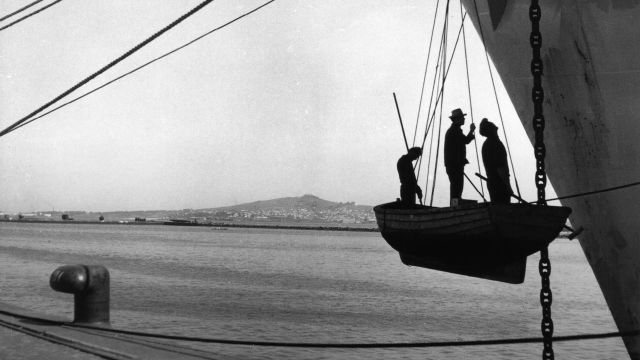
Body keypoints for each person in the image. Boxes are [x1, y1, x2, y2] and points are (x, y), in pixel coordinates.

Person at [444, 108, 475, 204]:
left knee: (456, 187)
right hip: (455, 165)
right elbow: (466, 140)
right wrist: (471, 131)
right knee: (457, 187)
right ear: (457, 119)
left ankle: (454, 206)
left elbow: (464, 140)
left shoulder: (454, 130)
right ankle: (454, 206)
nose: (464, 119)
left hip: (453, 165)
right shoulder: (454, 131)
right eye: (462, 118)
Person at [479, 118, 512, 203]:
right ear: (493, 131)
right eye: (495, 128)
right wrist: (508, 186)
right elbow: (501, 168)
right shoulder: (496, 144)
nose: (497, 129)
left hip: (492, 183)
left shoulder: (485, 145)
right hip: (500, 185)